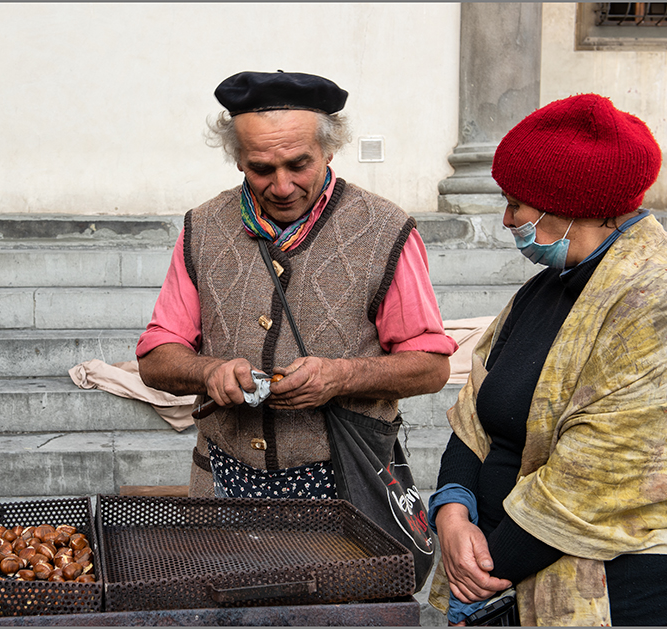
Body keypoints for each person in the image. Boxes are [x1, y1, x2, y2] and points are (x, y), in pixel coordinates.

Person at [427, 94, 667, 626]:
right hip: (501, 569)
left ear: (570, 207)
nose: (507, 218)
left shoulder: (662, 300)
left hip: (621, 591)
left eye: (517, 204)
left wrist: (481, 569)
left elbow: (601, 471)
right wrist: (453, 507)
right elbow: (474, 411)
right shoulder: (546, 288)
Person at [136, 70, 457, 500]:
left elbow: (431, 366)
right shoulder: (204, 226)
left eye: (299, 164)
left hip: (346, 485)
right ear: (239, 160)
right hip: (221, 480)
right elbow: (156, 358)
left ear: (328, 150)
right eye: (262, 169)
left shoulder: (385, 228)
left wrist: (340, 376)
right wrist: (208, 371)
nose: (283, 186)